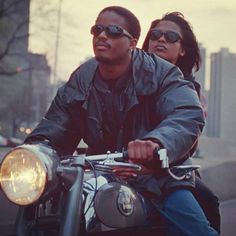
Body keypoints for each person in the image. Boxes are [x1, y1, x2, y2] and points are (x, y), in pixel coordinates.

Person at [25, 6, 218, 236]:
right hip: (100, 175)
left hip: (158, 178)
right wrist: (36, 149)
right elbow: (56, 123)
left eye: (114, 31)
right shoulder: (82, 78)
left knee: (196, 228)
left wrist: (155, 142)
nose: (103, 35)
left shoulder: (164, 74)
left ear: (132, 42)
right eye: (97, 29)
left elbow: (186, 114)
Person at [142, 11, 220, 233]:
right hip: (117, 166)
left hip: (168, 172)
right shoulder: (126, 75)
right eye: (155, 35)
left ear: (183, 49)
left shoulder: (189, 91)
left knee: (206, 202)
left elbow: (187, 132)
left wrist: (156, 145)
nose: (161, 39)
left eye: (171, 37)